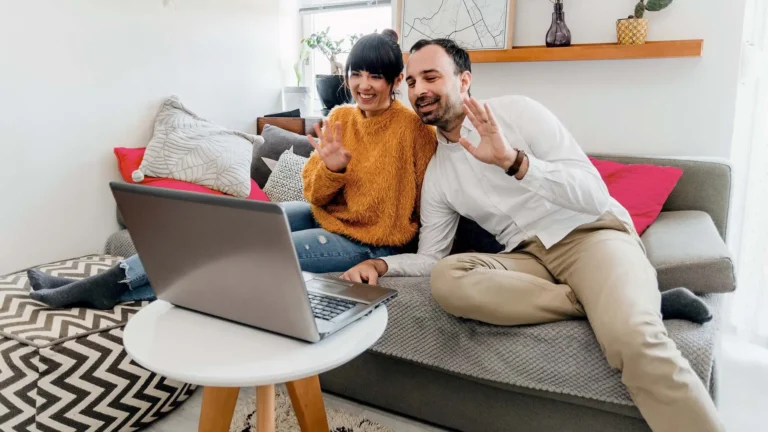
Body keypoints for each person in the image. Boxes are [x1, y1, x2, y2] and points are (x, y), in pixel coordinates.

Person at [341, 39, 724, 432]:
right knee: (447, 279)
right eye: (413, 80)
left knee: (636, 343)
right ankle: (606, 300)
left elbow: (593, 196)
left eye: (432, 77)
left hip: (589, 233)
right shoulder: (438, 174)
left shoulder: (519, 113)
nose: (419, 89)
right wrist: (380, 262)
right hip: (527, 257)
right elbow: (432, 257)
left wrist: (515, 162)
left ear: (464, 80)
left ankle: (620, 302)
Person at [27, 29, 437, 310]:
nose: (364, 84)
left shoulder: (414, 130)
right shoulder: (342, 116)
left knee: (246, 251)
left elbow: (416, 207)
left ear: (397, 79)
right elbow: (312, 193)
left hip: (368, 242)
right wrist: (330, 170)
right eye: (357, 74)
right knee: (225, 226)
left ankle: (112, 291)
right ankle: (111, 281)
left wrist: (390, 256)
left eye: (376, 77)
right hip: (324, 214)